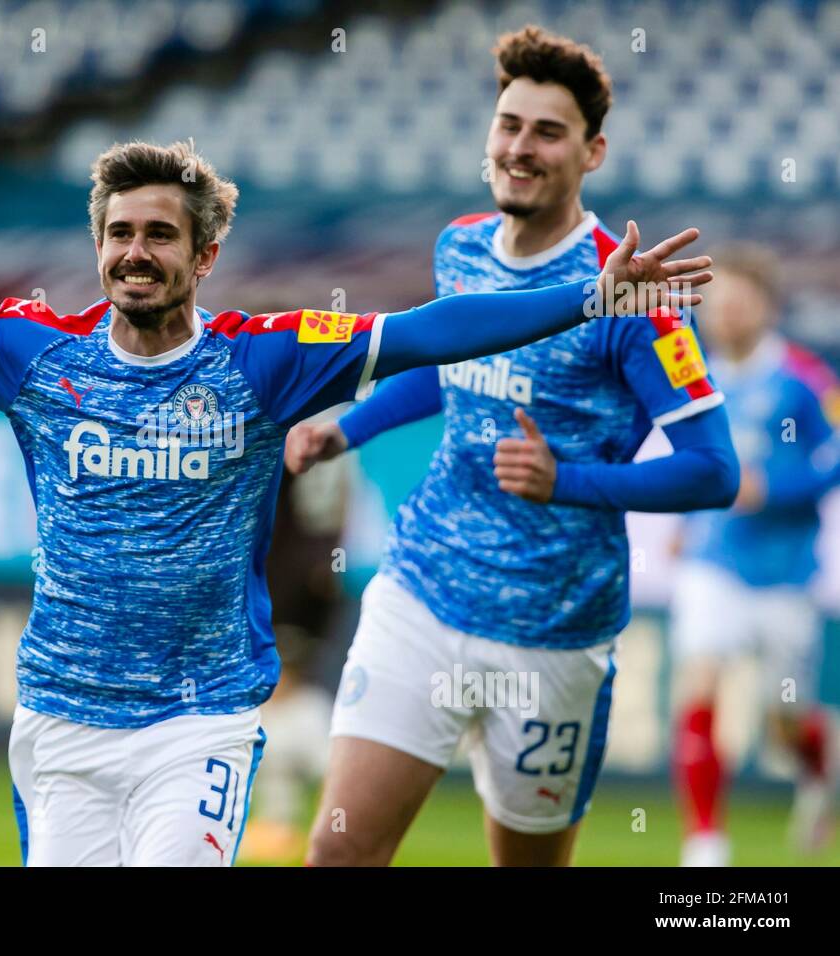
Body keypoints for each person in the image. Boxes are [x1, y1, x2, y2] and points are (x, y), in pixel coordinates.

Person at [0, 142, 710, 866]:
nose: (135, 253)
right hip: (59, 718)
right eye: (119, 233)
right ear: (98, 243)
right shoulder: (25, 352)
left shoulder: (268, 361)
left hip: (199, 718)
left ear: (204, 252)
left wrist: (589, 295)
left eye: (159, 236)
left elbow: (429, 331)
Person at [286, 26, 738, 866]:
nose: (520, 148)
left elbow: (715, 472)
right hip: (422, 593)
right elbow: (443, 370)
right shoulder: (459, 246)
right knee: (338, 853)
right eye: (508, 125)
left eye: (547, 131)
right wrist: (345, 425)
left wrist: (565, 480)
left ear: (593, 151)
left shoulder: (632, 293)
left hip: (555, 630)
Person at [670, 243, 840, 865]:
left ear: (768, 308)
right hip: (712, 562)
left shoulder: (805, 380)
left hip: (785, 572)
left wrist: (773, 490)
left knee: (785, 717)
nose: (726, 316)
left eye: (740, 304)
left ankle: (819, 776)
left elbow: (832, 460)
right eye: (717, 305)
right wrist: (686, 518)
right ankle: (705, 841)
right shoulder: (696, 375)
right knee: (700, 683)